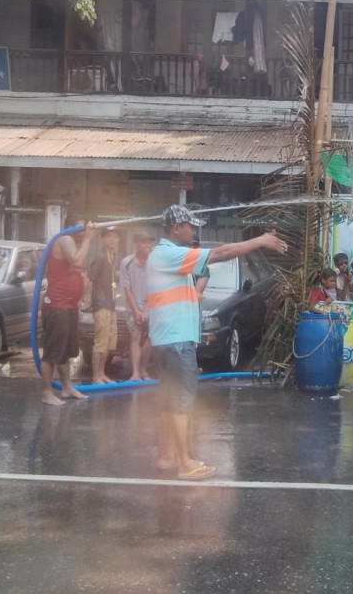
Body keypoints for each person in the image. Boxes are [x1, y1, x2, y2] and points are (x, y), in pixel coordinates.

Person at [148, 204, 287, 480]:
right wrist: (259, 240)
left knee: (169, 400)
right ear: (176, 228)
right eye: (191, 226)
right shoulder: (168, 254)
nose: (195, 230)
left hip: (169, 338)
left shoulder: (165, 255)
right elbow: (221, 254)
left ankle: (167, 456)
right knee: (182, 401)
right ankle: (185, 463)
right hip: (176, 341)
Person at [40, 212, 96, 406]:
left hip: (69, 306)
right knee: (52, 352)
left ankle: (66, 387)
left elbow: (78, 270)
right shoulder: (64, 239)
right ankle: (47, 393)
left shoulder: (73, 243)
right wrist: (88, 239)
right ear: (72, 227)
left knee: (64, 351)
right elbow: (78, 262)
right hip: (57, 305)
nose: (84, 232)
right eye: (81, 228)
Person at [120, 231, 154, 382]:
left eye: (149, 242)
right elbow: (127, 289)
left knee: (152, 338)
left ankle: (143, 369)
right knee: (135, 336)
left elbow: (156, 288)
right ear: (136, 244)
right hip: (133, 306)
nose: (148, 245)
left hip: (152, 306)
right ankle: (135, 373)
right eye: (144, 242)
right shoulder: (126, 263)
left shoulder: (154, 262)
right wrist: (136, 311)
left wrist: (146, 310)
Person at [88, 227, 120, 384]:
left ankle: (102, 374)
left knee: (108, 342)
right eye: (109, 237)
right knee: (100, 342)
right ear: (103, 240)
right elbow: (90, 278)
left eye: (115, 237)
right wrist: (87, 301)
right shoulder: (101, 257)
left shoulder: (113, 257)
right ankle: (95, 377)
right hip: (101, 304)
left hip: (111, 304)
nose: (112, 240)